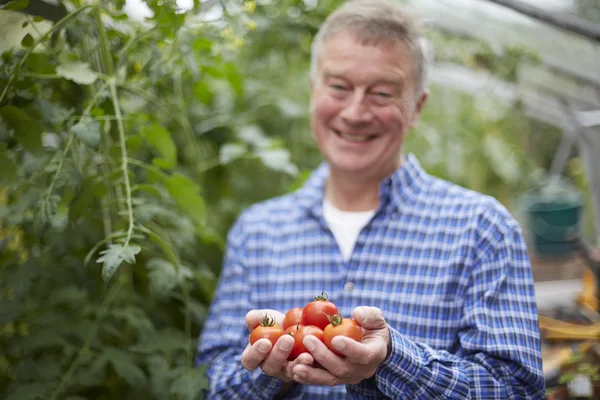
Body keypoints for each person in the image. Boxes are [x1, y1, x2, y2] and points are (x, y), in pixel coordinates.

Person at [195, 0, 545, 398]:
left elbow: (515, 390)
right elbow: (212, 382)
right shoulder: (256, 233)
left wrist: (392, 360)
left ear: (417, 107)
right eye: (339, 87)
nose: (355, 112)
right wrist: (268, 370)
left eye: (381, 93)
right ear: (314, 92)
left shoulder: (483, 230)